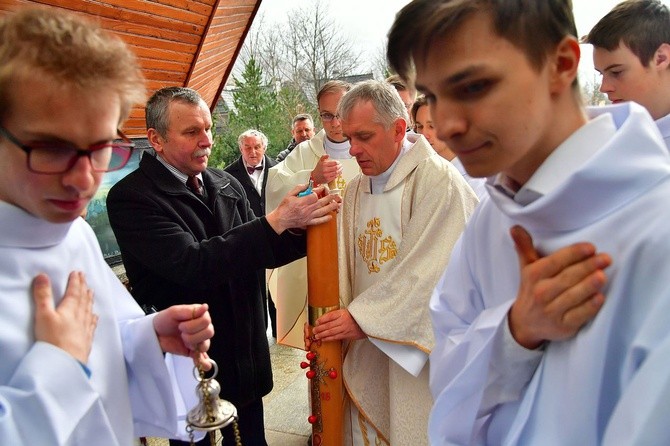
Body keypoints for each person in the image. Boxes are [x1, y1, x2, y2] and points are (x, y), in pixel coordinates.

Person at [388, 0, 670, 444]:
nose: (445, 124)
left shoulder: (658, 228)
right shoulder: (492, 216)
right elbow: (446, 376)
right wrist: (515, 333)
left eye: (475, 86)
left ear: (560, 64)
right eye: (434, 97)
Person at [0, 8, 215, 445]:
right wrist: (58, 366)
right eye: (51, 149)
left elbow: (102, 342)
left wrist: (149, 337)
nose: (84, 181)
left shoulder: (73, 234)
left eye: (101, 149)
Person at [106, 86, 340, 446]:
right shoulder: (132, 198)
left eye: (208, 129)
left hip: (244, 349)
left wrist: (303, 224)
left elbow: (263, 249)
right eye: (191, 132)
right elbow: (193, 263)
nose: (206, 141)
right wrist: (274, 221)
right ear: (156, 138)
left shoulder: (224, 182)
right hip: (192, 359)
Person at [310, 80, 478, 445]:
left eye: (364, 137)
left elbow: (433, 272)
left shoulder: (439, 183)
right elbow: (344, 267)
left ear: (399, 129)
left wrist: (362, 318)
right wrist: (328, 322)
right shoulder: (355, 188)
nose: (353, 149)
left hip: (417, 360)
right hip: (363, 351)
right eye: (349, 137)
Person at [266, 80, 360, 349]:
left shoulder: (367, 145)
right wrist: (311, 178)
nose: (335, 122)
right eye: (326, 115)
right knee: (323, 343)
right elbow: (274, 188)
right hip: (319, 260)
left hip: (359, 254)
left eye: (341, 112)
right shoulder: (306, 152)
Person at [584, 0, 670, 148]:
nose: (604, 87)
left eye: (616, 72)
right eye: (601, 74)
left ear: (661, 58)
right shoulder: (604, 140)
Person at [224, 129, 278, 338]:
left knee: (277, 287)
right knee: (254, 288)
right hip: (249, 239)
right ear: (241, 149)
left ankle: (279, 328)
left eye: (257, 147)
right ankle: (259, 331)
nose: (253, 151)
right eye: (248, 147)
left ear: (264, 147)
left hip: (277, 236)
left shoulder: (280, 169)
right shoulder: (228, 175)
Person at [411, 95, 487, 199]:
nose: (424, 134)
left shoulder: (476, 180)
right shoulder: (420, 173)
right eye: (420, 126)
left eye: (432, 126)